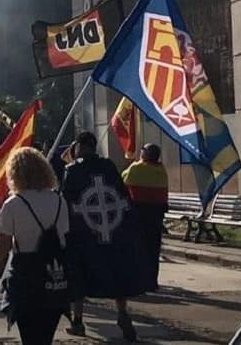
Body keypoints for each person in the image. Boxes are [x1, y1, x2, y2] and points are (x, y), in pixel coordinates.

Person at [61, 132, 143, 342]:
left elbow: (66, 203)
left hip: (83, 235)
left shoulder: (73, 170)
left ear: (79, 146)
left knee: (78, 276)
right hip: (111, 233)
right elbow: (123, 199)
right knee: (116, 274)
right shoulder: (109, 167)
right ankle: (123, 314)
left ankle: (77, 321)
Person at [0, 147, 72, 345]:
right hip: (54, 279)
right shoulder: (59, 201)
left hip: (25, 279)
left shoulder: (13, 204)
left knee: (30, 338)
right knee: (46, 338)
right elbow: (64, 239)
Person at [121, 143, 169, 292]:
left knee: (138, 249)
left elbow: (123, 178)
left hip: (139, 215)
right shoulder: (161, 171)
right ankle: (152, 282)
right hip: (156, 216)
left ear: (146, 154)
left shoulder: (136, 169)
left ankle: (139, 280)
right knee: (153, 250)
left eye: (142, 151)